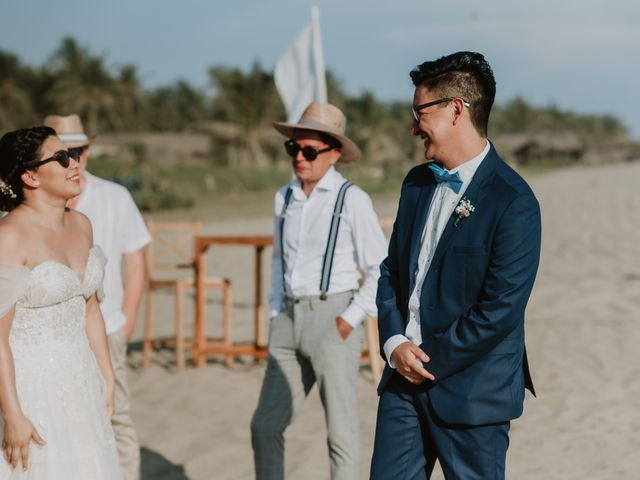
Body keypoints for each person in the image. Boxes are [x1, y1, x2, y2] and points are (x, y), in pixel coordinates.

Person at [370, 51, 541, 479]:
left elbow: (499, 310)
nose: (413, 127)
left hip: (473, 392)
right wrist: (394, 344)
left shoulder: (514, 201)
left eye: (419, 112)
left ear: (456, 110)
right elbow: (391, 272)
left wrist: (425, 358)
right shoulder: (416, 183)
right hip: (401, 386)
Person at [251, 102, 388, 480]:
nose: (299, 157)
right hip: (288, 321)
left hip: (334, 319)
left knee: (340, 435)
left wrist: (349, 319)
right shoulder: (284, 198)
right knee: (264, 426)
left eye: (309, 151)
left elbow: (380, 268)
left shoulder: (352, 199)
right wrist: (276, 311)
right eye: (293, 148)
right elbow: (278, 259)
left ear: (334, 154)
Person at [0, 126, 124, 479]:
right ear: (30, 176)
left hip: (82, 380)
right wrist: (13, 415)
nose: (75, 164)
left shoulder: (83, 225)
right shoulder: (9, 238)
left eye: (73, 156)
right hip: (31, 389)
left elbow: (90, 309)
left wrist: (106, 376)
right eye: (62, 157)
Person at [42, 114, 150, 480]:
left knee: (116, 413)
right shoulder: (36, 208)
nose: (73, 158)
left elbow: (136, 259)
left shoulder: (115, 196)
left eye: (79, 149)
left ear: (89, 150)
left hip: (110, 324)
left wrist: (128, 318)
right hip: (53, 336)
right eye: (63, 152)